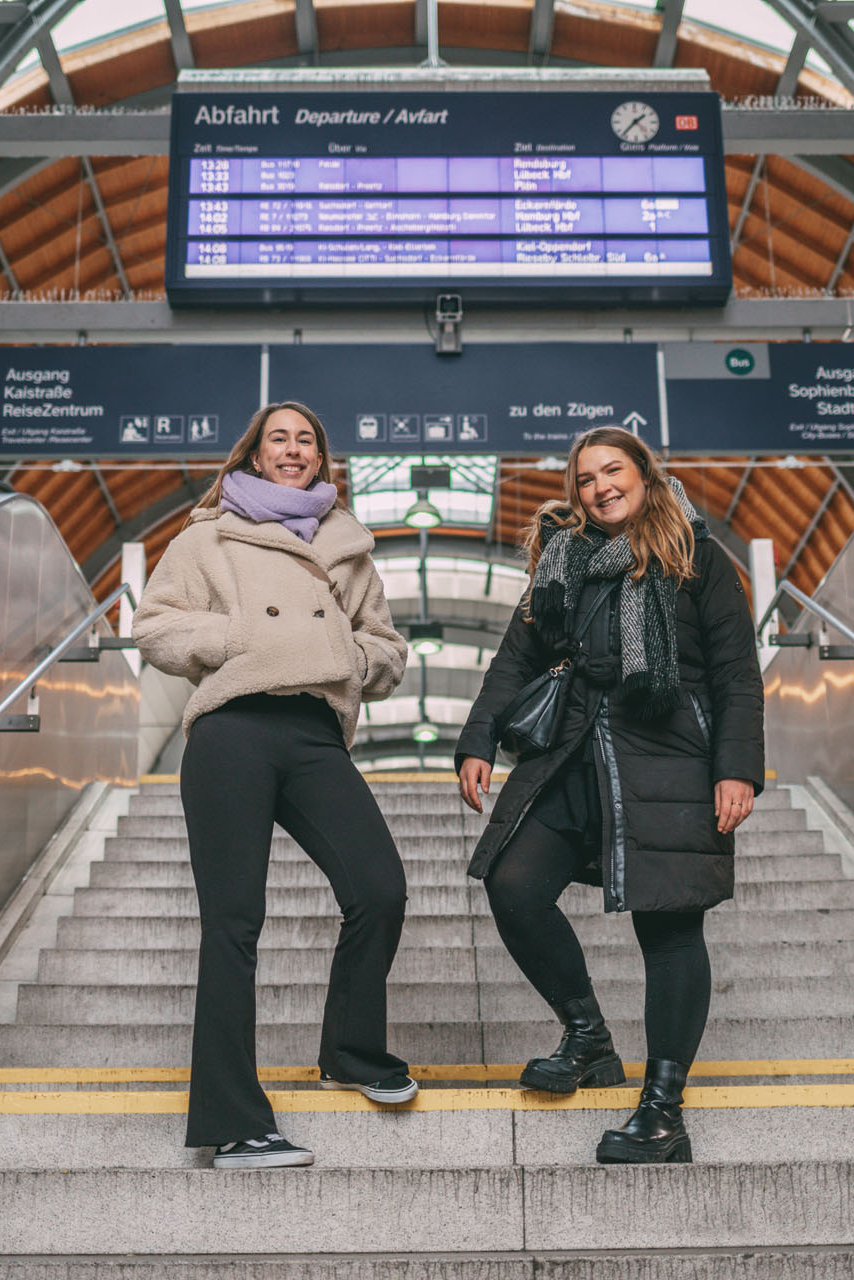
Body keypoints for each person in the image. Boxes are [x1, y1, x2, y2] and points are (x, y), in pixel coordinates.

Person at [454, 425, 764, 1164]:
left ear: (645, 475)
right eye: (586, 478)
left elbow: (735, 672)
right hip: (569, 754)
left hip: (670, 759)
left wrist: (737, 768)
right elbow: (515, 657)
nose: (600, 487)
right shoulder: (562, 559)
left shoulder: (696, 555)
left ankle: (663, 1112)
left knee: (671, 930)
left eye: (612, 470)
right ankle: (588, 1036)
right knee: (512, 883)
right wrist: (477, 740)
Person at [128, 400, 415, 1169]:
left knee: (379, 887)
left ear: (323, 458)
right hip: (231, 729)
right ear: (254, 456)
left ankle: (351, 1051)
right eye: (278, 439)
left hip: (315, 730)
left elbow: (388, 644)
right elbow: (153, 625)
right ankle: (232, 1123)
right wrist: (232, 638)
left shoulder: (347, 546)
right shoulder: (207, 534)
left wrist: (352, 659)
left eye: (307, 441)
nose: (293, 450)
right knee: (234, 923)